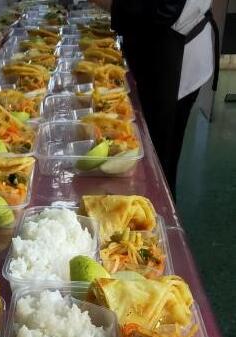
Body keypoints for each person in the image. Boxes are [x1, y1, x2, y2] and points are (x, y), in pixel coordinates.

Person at [91, 0, 219, 196]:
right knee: (152, 151)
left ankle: (158, 205)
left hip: (174, 55)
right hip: (156, 52)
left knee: (158, 160)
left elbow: (164, 9)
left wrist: (110, 3)